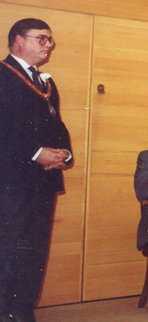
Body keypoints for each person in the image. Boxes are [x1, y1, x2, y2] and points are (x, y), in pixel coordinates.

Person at [0, 18, 73, 322]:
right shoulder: (2, 75)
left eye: (50, 40)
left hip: (42, 181)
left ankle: (22, 309)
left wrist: (64, 153)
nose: (48, 45)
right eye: (41, 39)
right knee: (9, 248)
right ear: (18, 40)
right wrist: (35, 153)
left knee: (34, 249)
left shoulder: (46, 83)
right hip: (10, 181)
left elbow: (57, 125)